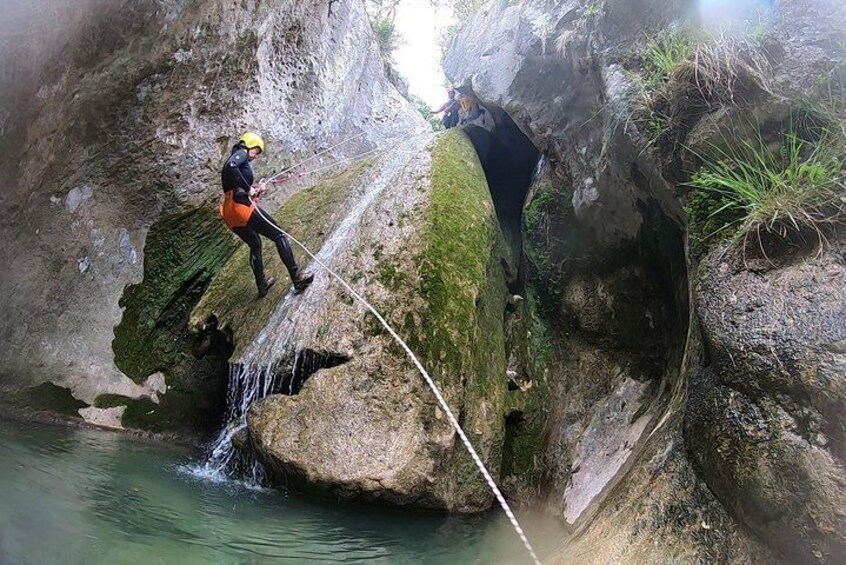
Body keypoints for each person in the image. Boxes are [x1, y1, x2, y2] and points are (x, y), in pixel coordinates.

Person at [219, 132, 314, 298]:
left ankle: (262, 284)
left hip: (229, 212)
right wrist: (249, 189)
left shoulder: (238, 164)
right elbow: (231, 166)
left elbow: (236, 183)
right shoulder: (240, 153)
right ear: (249, 145)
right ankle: (297, 278)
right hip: (240, 206)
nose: (255, 156)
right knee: (278, 235)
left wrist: (254, 190)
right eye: (256, 151)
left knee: (255, 243)